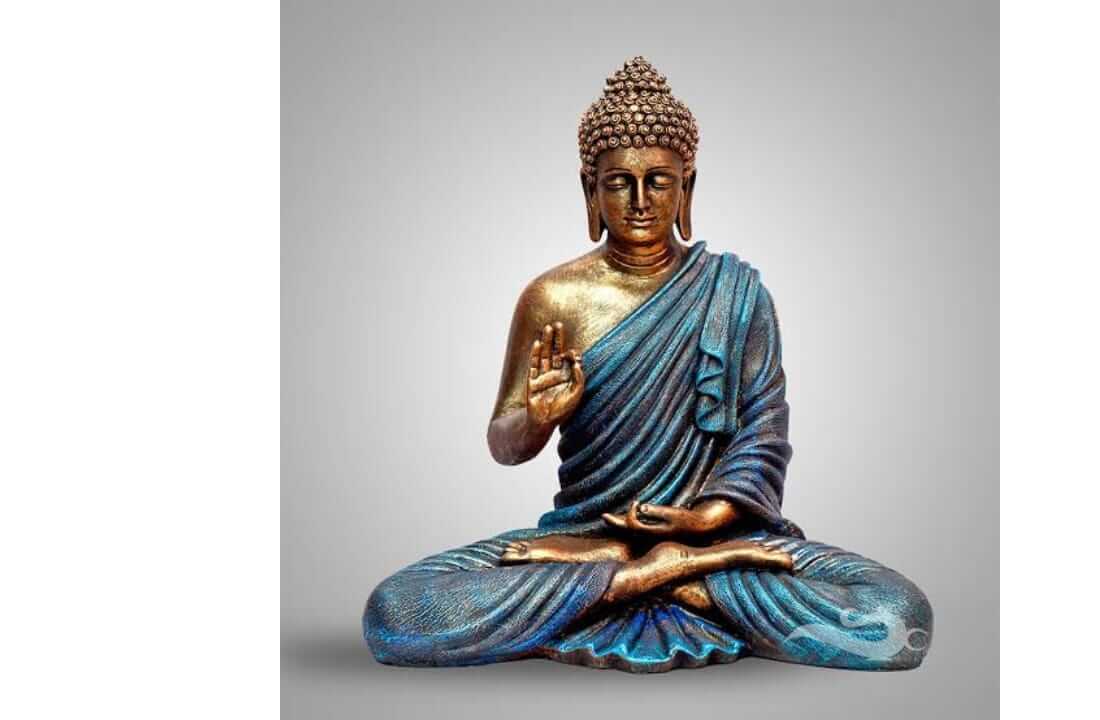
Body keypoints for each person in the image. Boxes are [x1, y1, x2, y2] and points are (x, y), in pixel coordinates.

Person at [363, 57, 932, 673]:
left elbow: (763, 433)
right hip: (586, 538)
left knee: (897, 616)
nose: (639, 202)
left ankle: (648, 579)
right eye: (619, 183)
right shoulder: (551, 298)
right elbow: (505, 444)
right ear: (590, 190)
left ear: (687, 187)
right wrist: (538, 418)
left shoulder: (735, 293)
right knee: (397, 612)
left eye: (659, 181)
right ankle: (658, 579)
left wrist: (705, 520)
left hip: (711, 538)